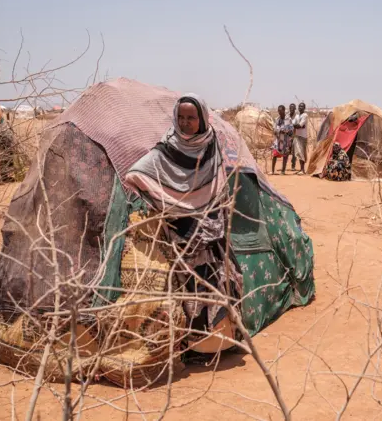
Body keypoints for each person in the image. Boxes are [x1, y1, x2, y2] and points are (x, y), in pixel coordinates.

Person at [125, 93, 243, 358]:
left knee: (221, 281)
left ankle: (222, 343)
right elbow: (137, 173)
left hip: (211, 228)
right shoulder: (168, 147)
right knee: (189, 288)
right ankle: (195, 348)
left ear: (202, 119)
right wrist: (166, 201)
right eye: (181, 117)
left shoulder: (212, 143)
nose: (186, 123)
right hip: (182, 230)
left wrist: (211, 212)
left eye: (191, 117)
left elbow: (219, 183)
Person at [271, 105, 293, 175]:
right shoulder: (277, 119)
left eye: (281, 111)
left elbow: (291, 129)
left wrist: (286, 132)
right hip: (278, 140)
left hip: (285, 140)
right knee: (274, 154)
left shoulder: (288, 119)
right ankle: (273, 171)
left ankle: (283, 171)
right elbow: (274, 129)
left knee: (285, 155)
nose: (279, 112)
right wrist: (278, 131)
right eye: (278, 111)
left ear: (284, 110)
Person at [291, 102, 309, 174]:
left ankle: (302, 170)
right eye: (299, 106)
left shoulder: (305, 115)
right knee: (298, 153)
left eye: (302, 106)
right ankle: (301, 169)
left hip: (302, 137)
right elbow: (293, 123)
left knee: (302, 153)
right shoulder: (297, 116)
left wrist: (296, 125)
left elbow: (299, 125)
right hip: (297, 136)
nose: (300, 108)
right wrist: (297, 125)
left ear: (304, 108)